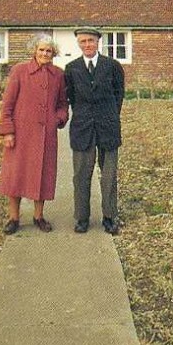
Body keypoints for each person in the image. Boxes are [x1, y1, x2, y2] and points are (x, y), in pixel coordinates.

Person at [0, 34, 69, 234]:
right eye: (41, 50)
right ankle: (14, 218)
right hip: (21, 134)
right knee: (16, 175)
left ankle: (38, 217)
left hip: (47, 135)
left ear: (53, 53)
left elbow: (63, 104)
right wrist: (7, 131)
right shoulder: (20, 71)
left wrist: (59, 119)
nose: (45, 53)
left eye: (49, 51)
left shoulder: (58, 75)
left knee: (43, 175)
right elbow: (8, 104)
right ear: (34, 51)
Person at [64, 27, 125, 234]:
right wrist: (84, 116)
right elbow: (71, 97)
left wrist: (109, 116)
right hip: (82, 128)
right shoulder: (71, 69)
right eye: (83, 41)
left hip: (108, 127)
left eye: (90, 40)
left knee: (109, 174)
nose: (87, 45)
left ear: (98, 41)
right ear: (78, 44)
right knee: (81, 174)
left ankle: (109, 216)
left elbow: (119, 95)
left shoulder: (113, 66)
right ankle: (81, 218)